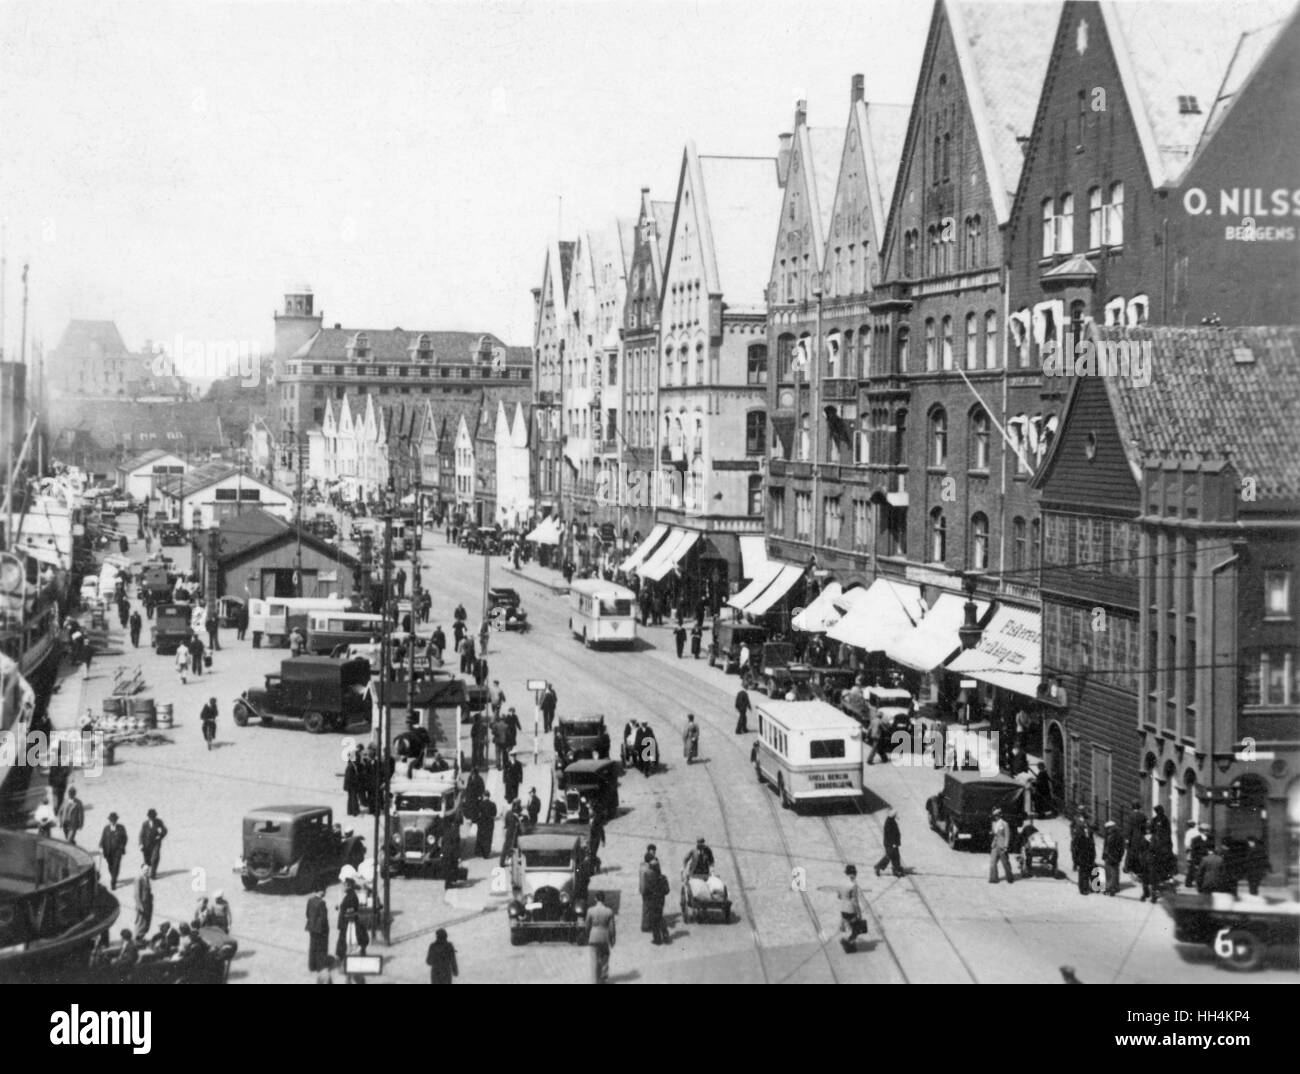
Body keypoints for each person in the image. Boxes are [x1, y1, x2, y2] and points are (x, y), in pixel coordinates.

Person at [585, 892, 616, 984]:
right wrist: (612, 939)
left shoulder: (590, 910)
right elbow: (612, 928)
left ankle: (594, 981)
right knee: (605, 957)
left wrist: (587, 936)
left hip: (593, 937)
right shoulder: (609, 911)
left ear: (595, 899)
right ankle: (603, 979)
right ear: (604, 899)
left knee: (594, 960)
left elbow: (587, 925)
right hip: (604, 937)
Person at [838, 865, 869, 953]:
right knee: (857, 929)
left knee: (853, 927)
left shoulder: (841, 883)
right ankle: (848, 943)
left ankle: (850, 943)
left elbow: (839, 896)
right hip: (851, 910)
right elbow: (855, 901)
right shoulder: (853, 885)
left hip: (843, 909)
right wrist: (859, 913)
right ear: (855, 873)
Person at [336, 878, 369, 960]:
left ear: (349, 886)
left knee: (349, 939)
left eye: (344, 885)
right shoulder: (350, 895)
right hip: (347, 921)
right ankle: (343, 956)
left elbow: (351, 910)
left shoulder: (351, 896)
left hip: (349, 922)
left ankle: (345, 957)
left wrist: (343, 909)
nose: (343, 887)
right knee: (345, 939)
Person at [99, 812, 128, 889]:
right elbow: (103, 838)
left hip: (117, 851)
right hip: (108, 851)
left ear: (116, 820)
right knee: (110, 866)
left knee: (116, 866)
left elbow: (125, 838)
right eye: (111, 820)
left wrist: (122, 847)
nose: (112, 822)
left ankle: (113, 882)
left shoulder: (121, 828)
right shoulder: (106, 828)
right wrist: (101, 846)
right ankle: (113, 876)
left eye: (114, 820)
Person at [646, 859, 671, 945]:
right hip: (661, 900)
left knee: (654, 920)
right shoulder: (663, 877)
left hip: (653, 901)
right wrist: (661, 893)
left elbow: (647, 890)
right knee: (660, 917)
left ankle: (657, 939)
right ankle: (665, 935)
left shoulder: (650, 878)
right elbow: (667, 890)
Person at [306, 888, 330, 972]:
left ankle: (312, 966)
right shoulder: (322, 902)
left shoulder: (310, 900)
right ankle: (320, 966)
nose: (325, 893)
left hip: (311, 927)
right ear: (321, 891)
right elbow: (324, 918)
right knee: (321, 948)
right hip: (320, 929)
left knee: (313, 947)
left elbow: (307, 914)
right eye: (324, 891)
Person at [988, 808, 1015, 884]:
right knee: (992, 862)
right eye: (994, 815)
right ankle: (993, 878)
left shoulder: (1005, 824)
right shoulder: (993, 823)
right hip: (995, 845)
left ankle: (1009, 877)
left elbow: (1007, 836)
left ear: (1000, 815)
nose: (996, 817)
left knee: (1005, 863)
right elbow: (994, 834)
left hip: (1002, 846)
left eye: (997, 815)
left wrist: (1006, 846)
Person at [875, 810, 905, 878]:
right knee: (889, 856)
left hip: (893, 843)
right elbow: (890, 834)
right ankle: (878, 867)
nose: (896, 816)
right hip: (890, 843)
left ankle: (896, 869)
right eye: (895, 815)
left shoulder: (891, 821)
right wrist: (893, 843)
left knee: (896, 856)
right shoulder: (889, 822)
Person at [140, 808, 167, 879]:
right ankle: (147, 872)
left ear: (155, 816)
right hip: (146, 844)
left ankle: (153, 874)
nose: (152, 818)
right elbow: (141, 834)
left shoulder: (159, 822)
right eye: (150, 817)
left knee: (155, 858)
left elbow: (164, 830)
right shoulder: (145, 824)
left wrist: (160, 836)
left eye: (153, 816)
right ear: (148, 816)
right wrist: (141, 844)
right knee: (147, 860)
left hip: (156, 843)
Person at [1073, 820, 1097, 895]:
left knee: (1092, 871)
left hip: (1089, 856)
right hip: (1082, 857)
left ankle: (1094, 887)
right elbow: (1075, 848)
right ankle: (1083, 889)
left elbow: (1092, 846)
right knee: (1083, 873)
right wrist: (1075, 859)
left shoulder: (1090, 835)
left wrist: (1093, 855)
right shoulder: (1078, 836)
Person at [1101, 820, 1125, 896]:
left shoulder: (1118, 835)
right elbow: (1105, 845)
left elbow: (1121, 848)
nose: (1106, 830)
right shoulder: (1109, 835)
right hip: (1108, 856)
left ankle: (1112, 888)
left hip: (1113, 856)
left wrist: (1118, 856)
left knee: (1113, 872)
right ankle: (1112, 887)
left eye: (1107, 828)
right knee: (1110, 872)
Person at [1122, 801, 1145, 872]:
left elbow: (1129, 828)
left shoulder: (1131, 815)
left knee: (1130, 853)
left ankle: (1127, 868)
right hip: (1141, 836)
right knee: (1139, 853)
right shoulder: (1142, 815)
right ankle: (1138, 868)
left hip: (1133, 837)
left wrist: (1127, 838)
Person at [1185, 822, 1208, 888]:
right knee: (1192, 870)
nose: (1206, 832)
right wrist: (1194, 859)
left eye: (1207, 831)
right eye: (1205, 830)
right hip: (1197, 857)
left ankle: (1201, 883)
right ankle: (1189, 883)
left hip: (1205, 857)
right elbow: (1193, 850)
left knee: (1202, 871)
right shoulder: (1195, 839)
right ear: (1201, 831)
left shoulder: (1209, 838)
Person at [499, 801, 522, 867]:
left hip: (509, 831)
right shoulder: (516, 815)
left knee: (506, 847)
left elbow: (506, 823)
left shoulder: (508, 813)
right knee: (513, 846)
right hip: (514, 832)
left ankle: (502, 861)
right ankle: (512, 860)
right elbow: (518, 824)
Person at [475, 793, 497, 858]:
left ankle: (480, 852)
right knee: (488, 838)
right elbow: (494, 814)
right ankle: (486, 854)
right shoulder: (493, 804)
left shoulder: (480, 804)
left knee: (481, 837)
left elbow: (478, 813)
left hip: (482, 823)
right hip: (490, 823)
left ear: (484, 796)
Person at [134, 871, 154, 939]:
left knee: (146, 922)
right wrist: (139, 905)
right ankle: (136, 937)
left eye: (148, 870)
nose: (146, 871)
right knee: (140, 922)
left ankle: (141, 937)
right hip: (142, 904)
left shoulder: (147, 878)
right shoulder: (138, 879)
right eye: (145, 870)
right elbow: (136, 894)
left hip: (148, 904)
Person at [344, 748, 362, 817]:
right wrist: (355, 782)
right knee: (353, 798)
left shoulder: (352, 765)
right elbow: (349, 777)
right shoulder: (351, 766)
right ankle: (354, 811)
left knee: (351, 798)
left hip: (351, 785)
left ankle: (350, 811)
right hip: (351, 785)